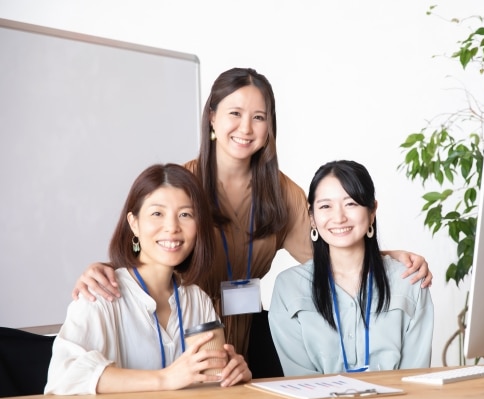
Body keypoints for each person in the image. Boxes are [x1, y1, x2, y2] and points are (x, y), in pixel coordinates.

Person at [71, 68, 433, 378]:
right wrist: (103, 269)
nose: (246, 127)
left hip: (247, 331)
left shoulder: (281, 192)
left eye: (259, 117)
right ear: (212, 118)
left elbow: (333, 248)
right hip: (189, 328)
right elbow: (149, 248)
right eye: (234, 113)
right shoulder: (181, 185)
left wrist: (383, 255)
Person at [45, 164, 251, 395]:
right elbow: (64, 376)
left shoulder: (197, 299)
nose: (172, 227)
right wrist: (165, 379)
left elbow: (210, 385)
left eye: (185, 214)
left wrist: (235, 375)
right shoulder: (99, 292)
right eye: (157, 213)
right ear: (134, 223)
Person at [268, 160, 434, 376]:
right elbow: (299, 381)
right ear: (312, 217)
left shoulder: (409, 280)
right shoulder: (288, 287)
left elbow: (416, 377)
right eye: (326, 206)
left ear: (372, 211)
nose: (339, 217)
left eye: (351, 203)